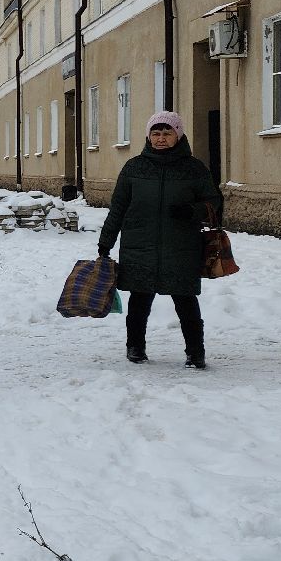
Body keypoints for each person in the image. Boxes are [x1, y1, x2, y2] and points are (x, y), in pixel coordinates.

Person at [97, 110, 223, 368]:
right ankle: (135, 348)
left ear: (178, 135)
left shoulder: (194, 168)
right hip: (139, 246)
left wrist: (193, 211)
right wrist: (105, 242)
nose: (161, 138)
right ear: (149, 136)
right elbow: (118, 207)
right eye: (156, 133)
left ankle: (195, 352)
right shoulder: (134, 167)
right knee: (139, 300)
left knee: (186, 300)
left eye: (167, 133)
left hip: (181, 246)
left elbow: (215, 203)